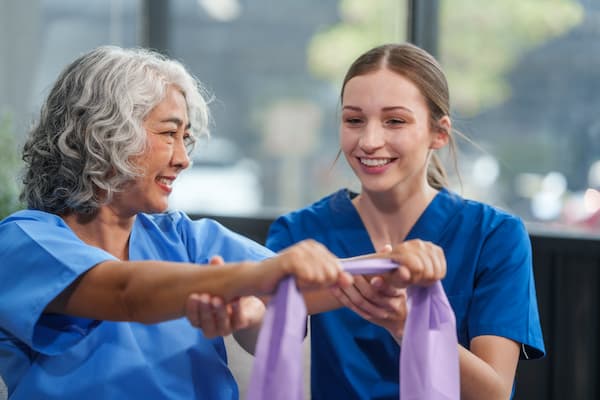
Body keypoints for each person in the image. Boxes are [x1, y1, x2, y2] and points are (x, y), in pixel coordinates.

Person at [0, 45, 355, 400]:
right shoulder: (24, 241)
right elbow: (126, 295)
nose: (184, 159)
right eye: (169, 134)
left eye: (185, 139)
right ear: (104, 133)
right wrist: (249, 279)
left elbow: (303, 285)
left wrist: (394, 266)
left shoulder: (184, 237)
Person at [263, 43, 545, 399]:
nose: (369, 141)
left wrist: (409, 325)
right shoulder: (300, 232)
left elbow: (494, 393)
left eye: (395, 121)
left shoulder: (496, 237)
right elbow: (257, 327)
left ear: (439, 133)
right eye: (354, 120)